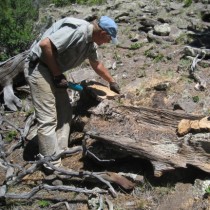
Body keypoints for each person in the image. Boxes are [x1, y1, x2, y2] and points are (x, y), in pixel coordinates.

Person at [24, 16, 120, 167]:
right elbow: (45, 44)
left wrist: (112, 81)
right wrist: (56, 75)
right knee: (48, 118)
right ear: (103, 33)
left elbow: (97, 64)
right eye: (109, 39)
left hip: (54, 72)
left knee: (65, 112)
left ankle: (61, 150)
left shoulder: (90, 43)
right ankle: (51, 164)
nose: (108, 42)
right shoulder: (78, 31)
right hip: (40, 68)